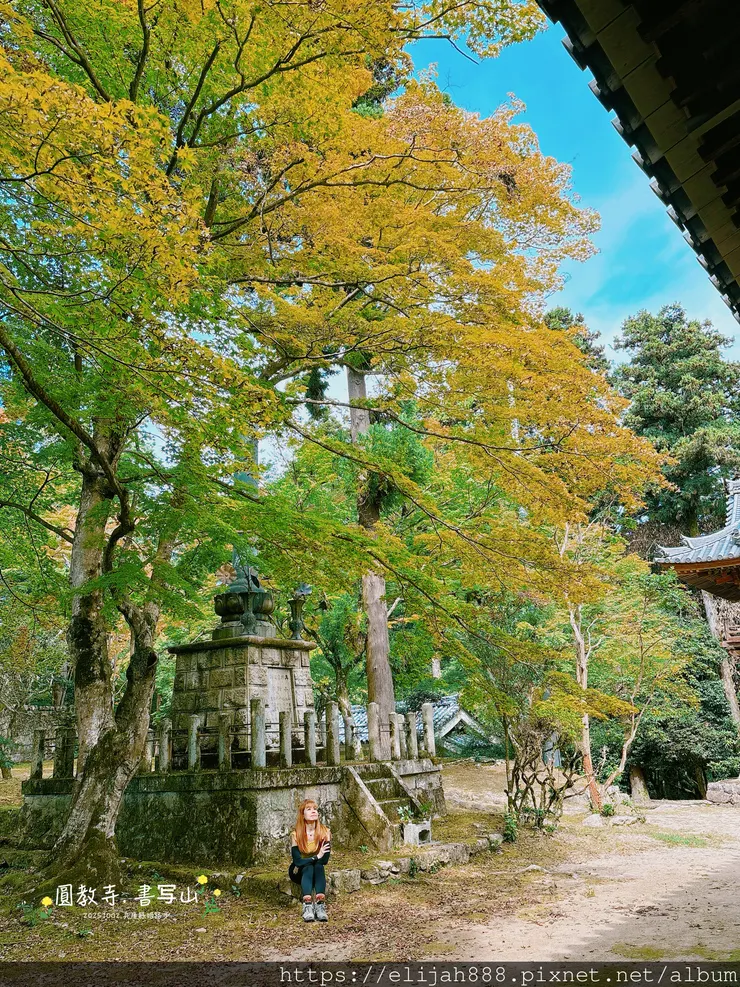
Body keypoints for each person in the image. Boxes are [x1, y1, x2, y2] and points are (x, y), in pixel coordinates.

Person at [289, 798, 331, 922]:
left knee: (318, 866)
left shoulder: (325, 832)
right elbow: (298, 862)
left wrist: (317, 859)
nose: (313, 811)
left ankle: (320, 906)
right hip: (298, 871)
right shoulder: (296, 834)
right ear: (303, 815)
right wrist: (316, 857)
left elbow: (324, 860)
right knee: (308, 867)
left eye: (315, 809)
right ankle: (307, 906)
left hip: (316, 869)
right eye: (309, 809)